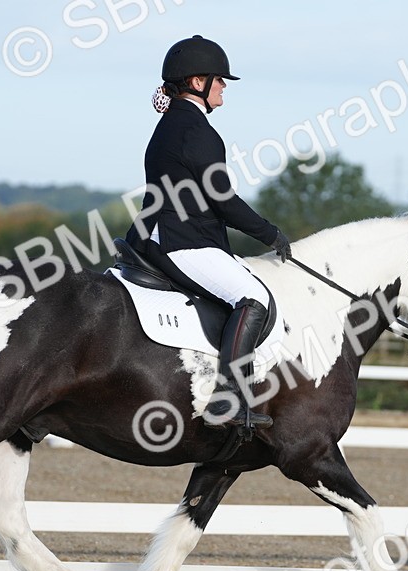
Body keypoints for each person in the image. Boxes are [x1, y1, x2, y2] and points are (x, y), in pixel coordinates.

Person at [126, 35, 291, 433]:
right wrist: (270, 234)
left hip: (160, 233)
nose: (224, 87)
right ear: (197, 81)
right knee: (253, 299)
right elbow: (223, 201)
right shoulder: (196, 130)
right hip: (183, 241)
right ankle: (228, 399)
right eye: (219, 79)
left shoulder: (173, 124)